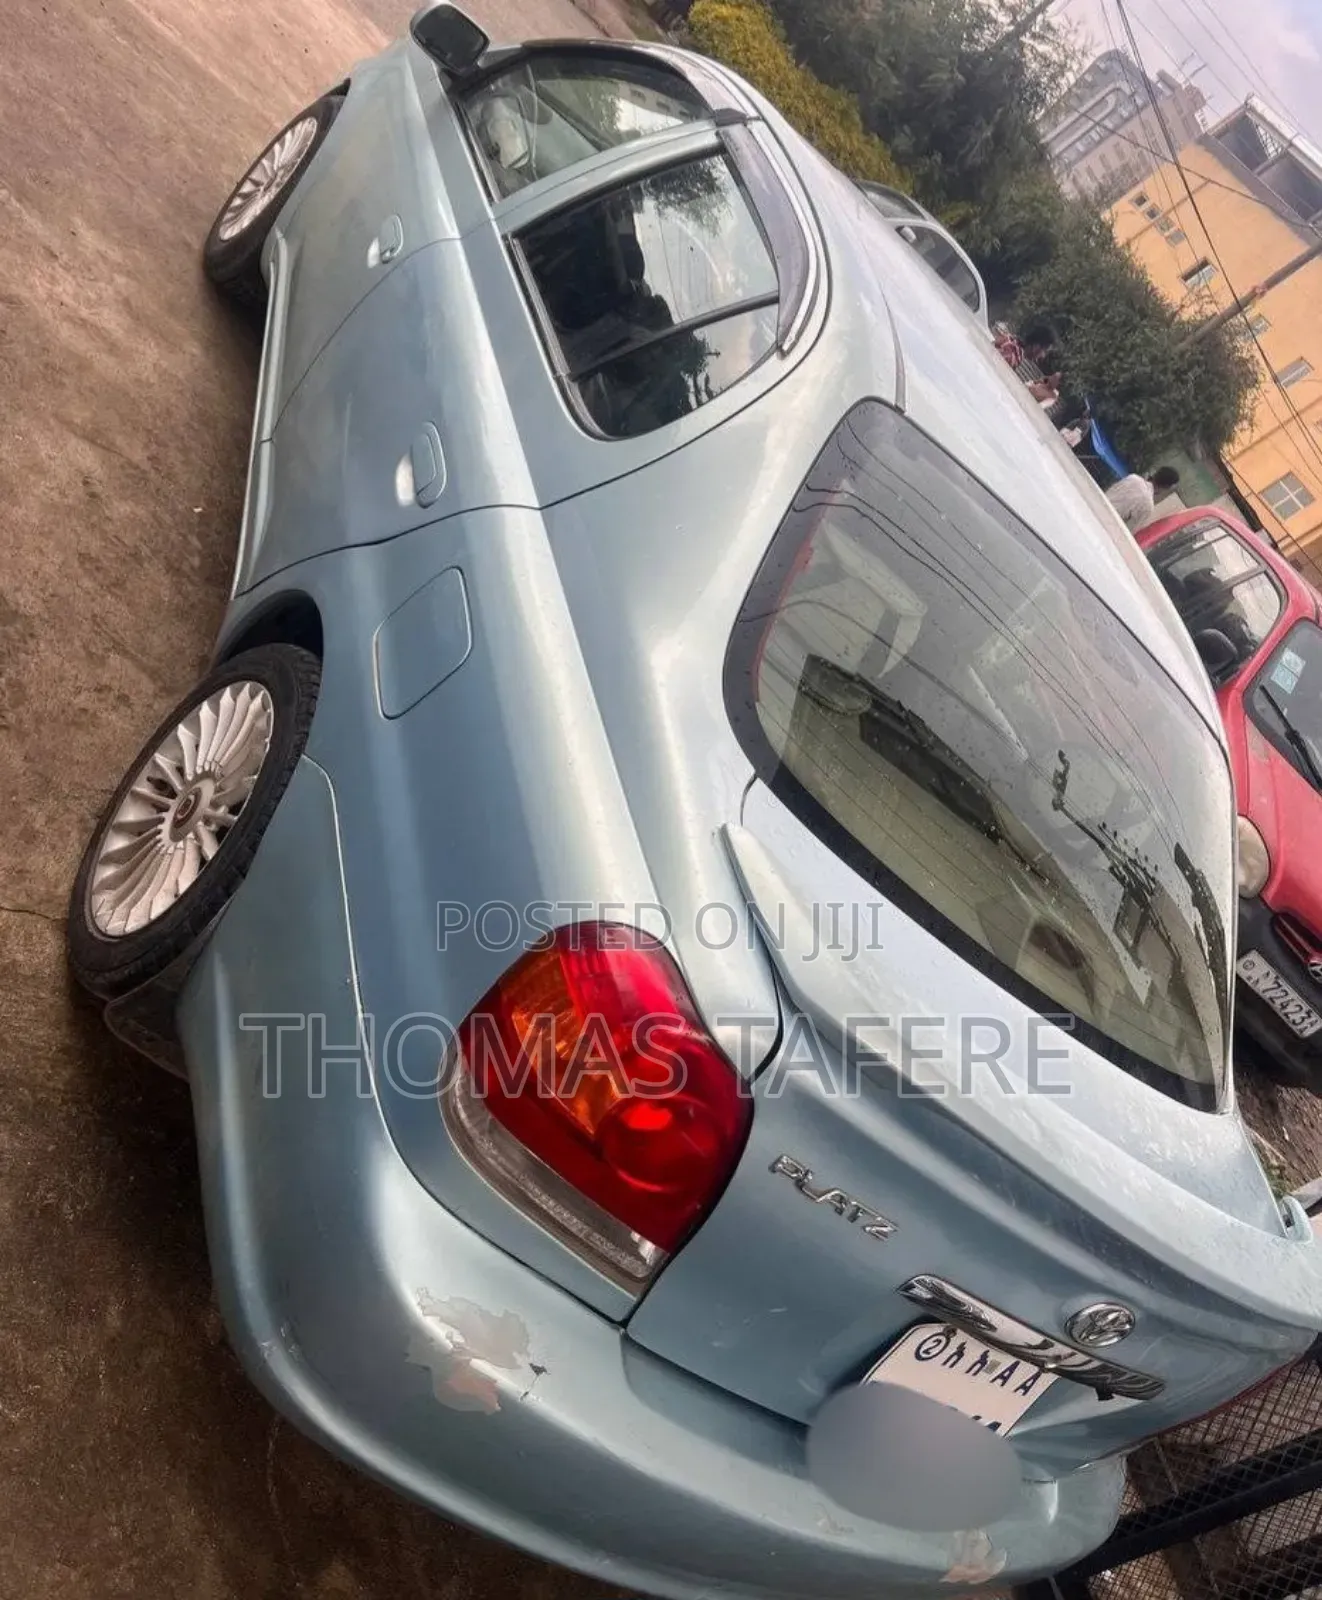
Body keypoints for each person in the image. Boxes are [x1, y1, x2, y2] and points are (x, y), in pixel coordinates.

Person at [1106, 466, 1182, 533]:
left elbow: (1111, 491)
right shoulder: (1147, 505)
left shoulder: (1133, 478)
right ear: (1166, 487)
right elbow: (1127, 531)